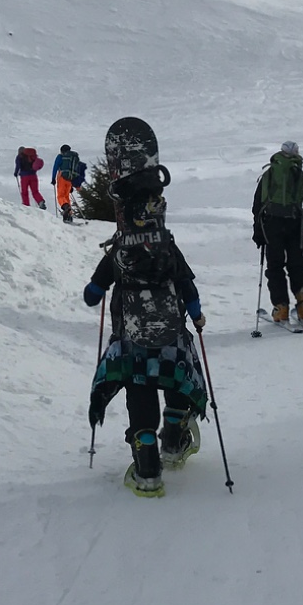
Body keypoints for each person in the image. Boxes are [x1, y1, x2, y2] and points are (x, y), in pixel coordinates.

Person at [85, 119, 208, 497]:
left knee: (139, 387)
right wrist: (196, 309)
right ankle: (173, 442)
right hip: (170, 328)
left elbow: (97, 287)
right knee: (171, 378)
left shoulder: (121, 250)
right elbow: (185, 280)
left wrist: (95, 288)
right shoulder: (166, 245)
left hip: (132, 330)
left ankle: (147, 465)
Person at [252, 140, 303, 328]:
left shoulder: (269, 174)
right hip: (294, 224)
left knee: (275, 266)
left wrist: (258, 231)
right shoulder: (301, 175)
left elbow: (257, 205)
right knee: (297, 265)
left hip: (272, 224)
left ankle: (281, 306)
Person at [50, 144, 86, 222]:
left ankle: (66, 208)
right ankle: (68, 215)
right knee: (66, 196)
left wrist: (53, 178)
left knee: (60, 196)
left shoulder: (60, 157)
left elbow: (55, 167)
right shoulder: (73, 157)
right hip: (70, 179)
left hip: (62, 177)